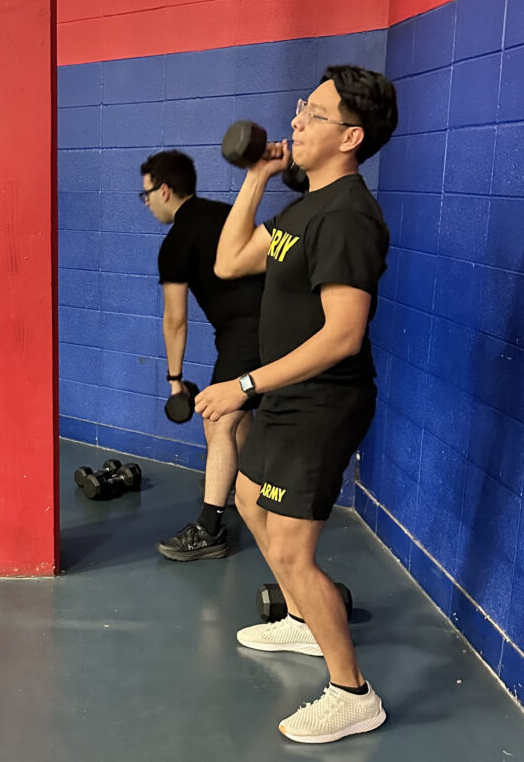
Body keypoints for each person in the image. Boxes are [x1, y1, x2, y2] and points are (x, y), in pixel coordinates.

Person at [196, 65, 398, 743]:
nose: (295, 122)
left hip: (322, 403)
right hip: (287, 396)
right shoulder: (303, 206)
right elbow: (229, 260)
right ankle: (306, 621)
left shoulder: (347, 216)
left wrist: (245, 384)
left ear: (351, 136)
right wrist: (256, 175)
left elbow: (343, 335)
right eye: (299, 110)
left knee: (290, 545)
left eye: (312, 114)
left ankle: (352, 690)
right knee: (251, 501)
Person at [139, 150, 264, 561]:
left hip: (247, 333)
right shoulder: (225, 212)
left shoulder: (175, 243)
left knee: (218, 419)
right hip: (273, 324)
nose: (147, 203)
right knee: (237, 414)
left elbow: (175, 320)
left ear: (166, 190)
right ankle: (235, 487)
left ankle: (210, 529)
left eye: (147, 195)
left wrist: (175, 380)